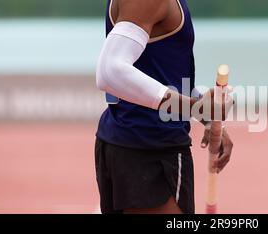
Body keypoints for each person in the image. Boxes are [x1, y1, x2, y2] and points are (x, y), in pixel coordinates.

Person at [94, 0, 234, 214]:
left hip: (141, 145)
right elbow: (110, 71)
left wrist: (206, 114)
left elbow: (160, 73)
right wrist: (194, 107)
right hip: (147, 151)